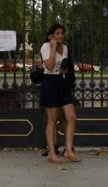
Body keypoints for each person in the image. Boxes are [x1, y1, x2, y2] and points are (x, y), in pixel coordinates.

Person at [39, 22, 80, 164]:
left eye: (62, 33)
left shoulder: (66, 48)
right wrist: (53, 48)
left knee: (71, 117)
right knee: (52, 120)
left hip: (62, 83)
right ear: (51, 35)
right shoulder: (45, 47)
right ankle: (52, 153)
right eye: (57, 33)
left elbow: (63, 69)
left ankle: (68, 151)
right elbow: (49, 67)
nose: (60, 35)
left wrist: (65, 69)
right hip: (50, 83)